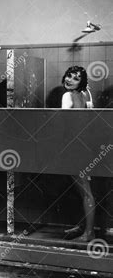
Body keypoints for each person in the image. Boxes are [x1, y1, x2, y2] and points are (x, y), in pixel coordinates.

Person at [61, 66, 95, 241]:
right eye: (69, 76)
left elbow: (65, 122)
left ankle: (89, 233)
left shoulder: (67, 96)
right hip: (87, 147)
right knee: (82, 191)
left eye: (75, 78)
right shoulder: (87, 94)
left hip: (74, 148)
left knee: (85, 192)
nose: (69, 80)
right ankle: (84, 226)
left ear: (81, 81)